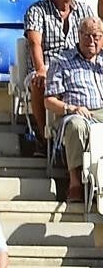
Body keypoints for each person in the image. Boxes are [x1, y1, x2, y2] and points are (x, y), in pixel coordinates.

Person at [25, 0, 92, 156]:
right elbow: (35, 43)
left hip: (77, 65)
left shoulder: (85, 11)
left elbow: (96, 40)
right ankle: (43, 137)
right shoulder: (37, 10)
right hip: (48, 64)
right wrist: (40, 69)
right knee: (39, 81)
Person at [44, 16, 103, 202]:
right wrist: (71, 108)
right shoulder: (61, 60)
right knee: (77, 126)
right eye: (87, 36)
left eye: (96, 36)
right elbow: (49, 100)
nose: (91, 41)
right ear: (78, 36)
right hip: (76, 112)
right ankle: (75, 182)